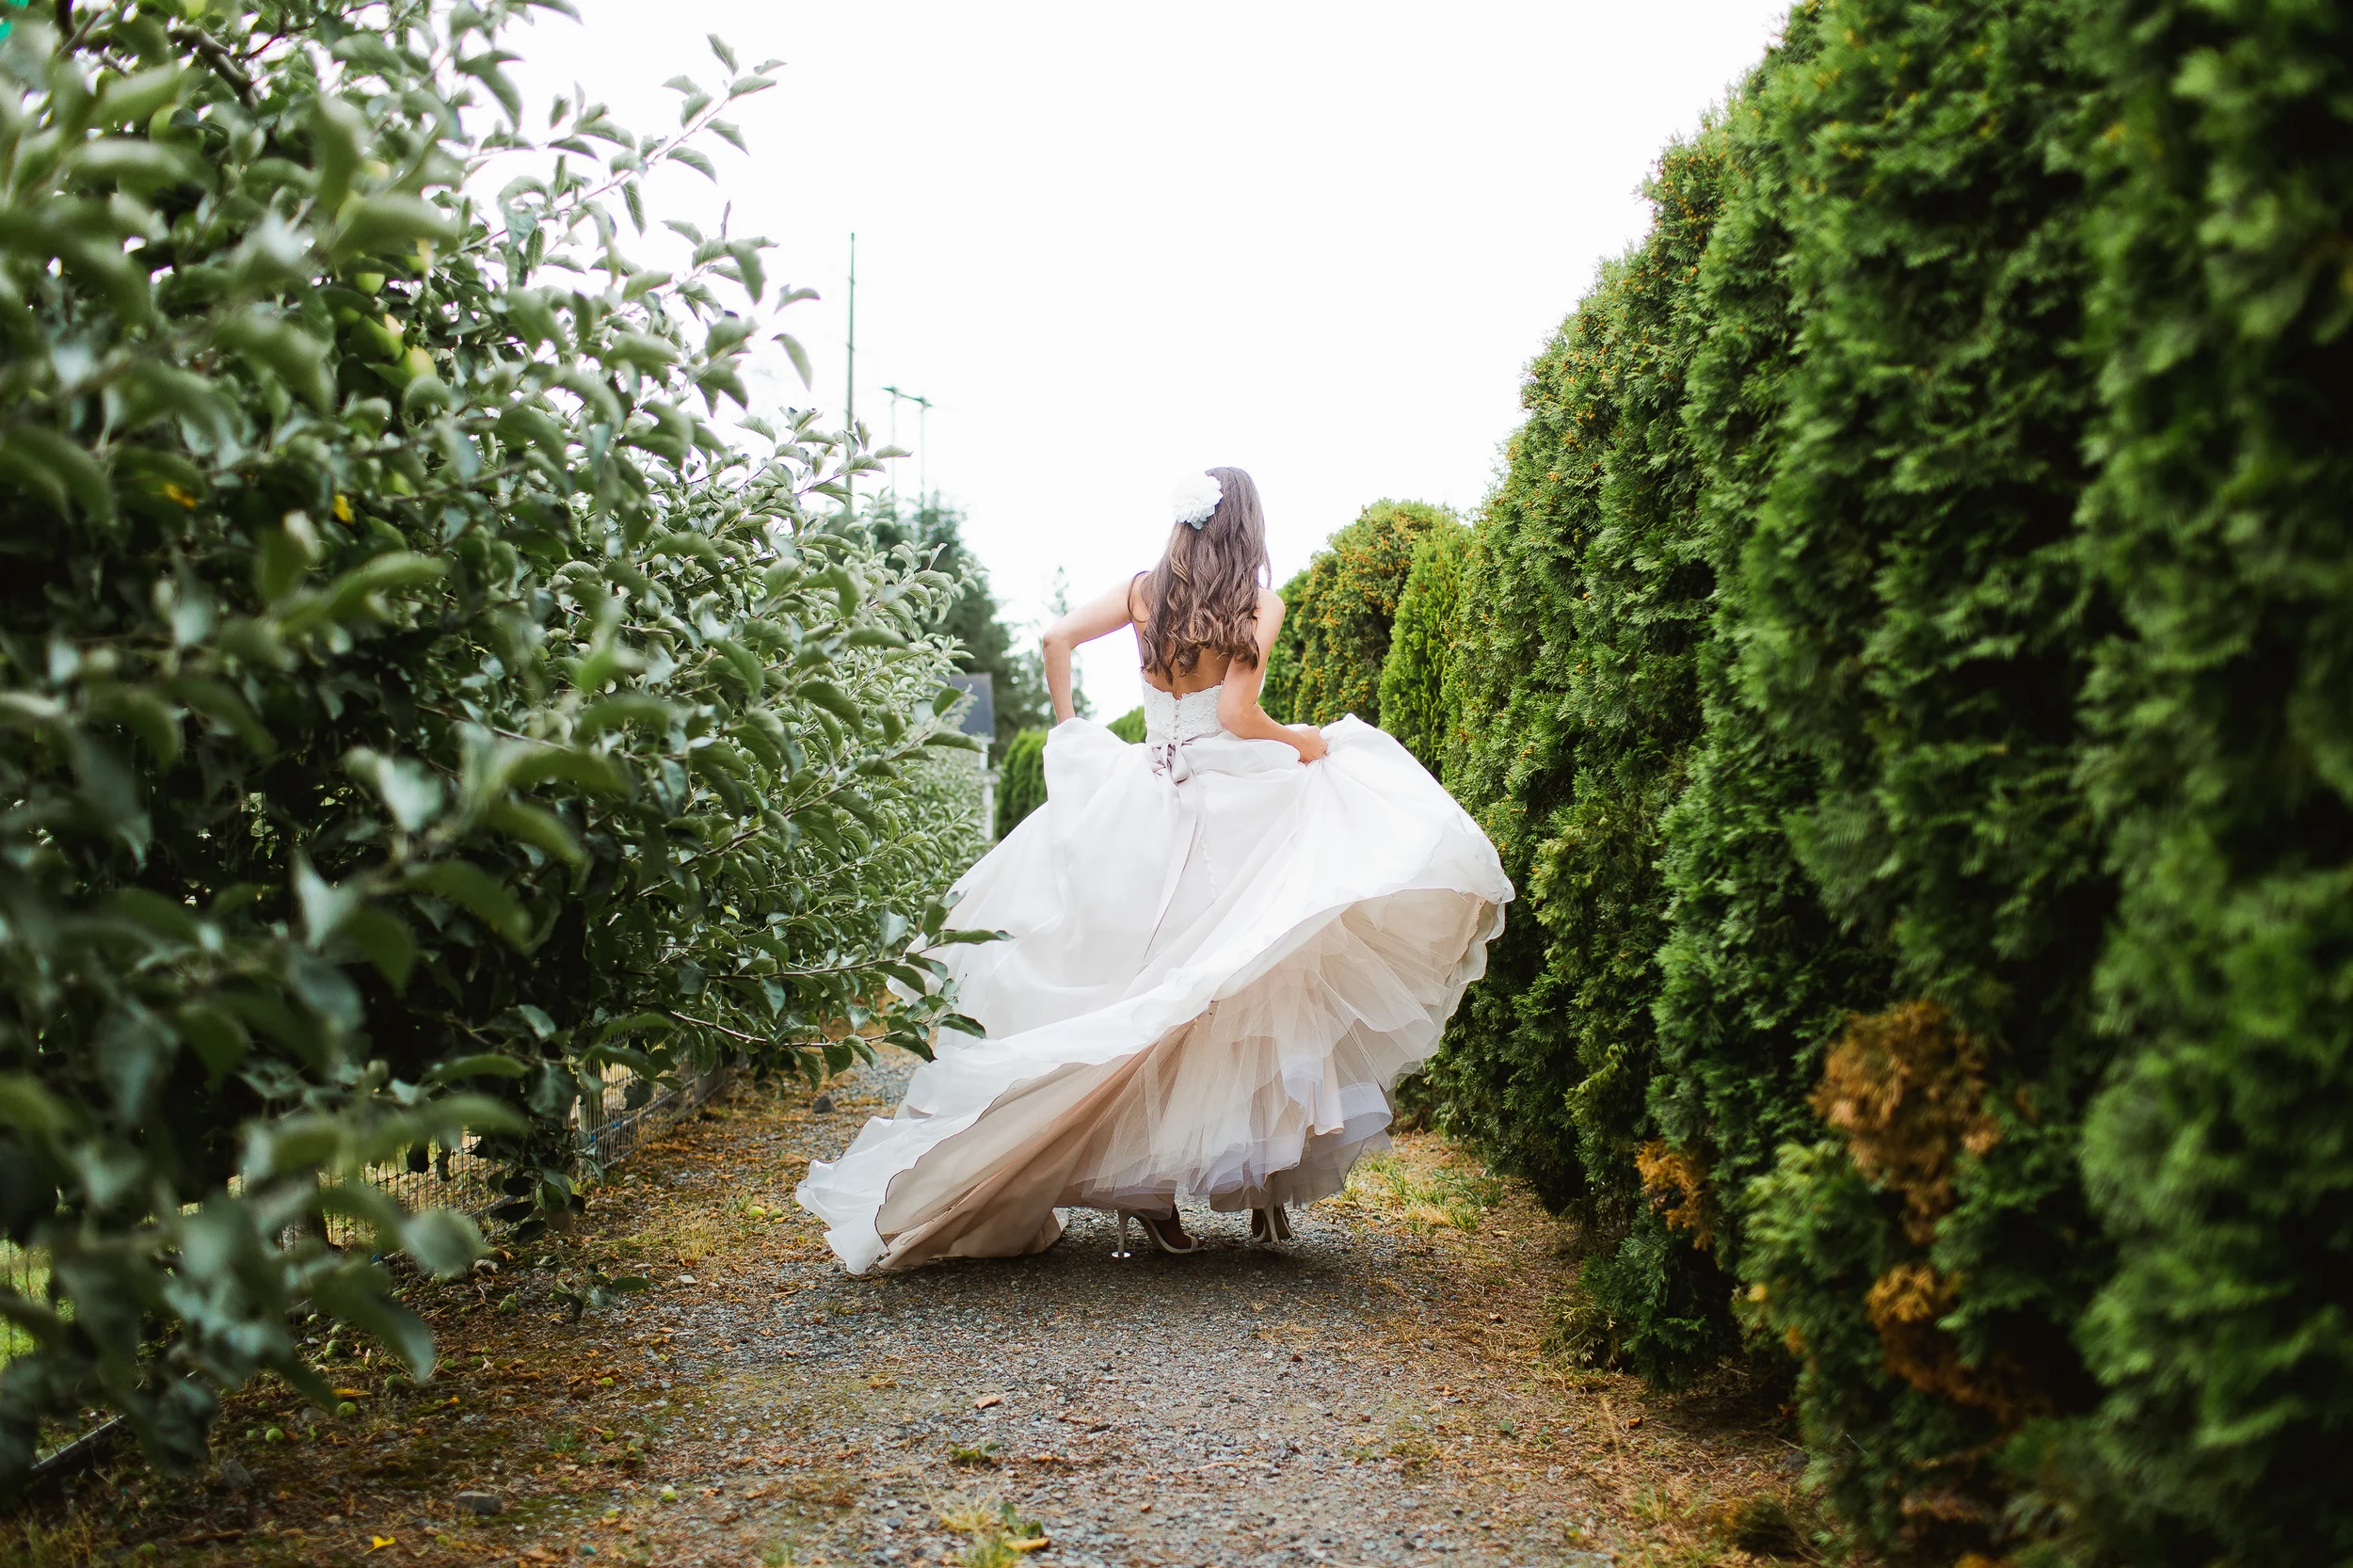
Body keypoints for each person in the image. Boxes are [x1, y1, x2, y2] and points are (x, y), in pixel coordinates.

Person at [796, 467, 1513, 1272]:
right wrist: (1304, 744)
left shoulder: (1146, 592)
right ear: (1246, 526)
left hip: (1142, 794)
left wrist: (1070, 730)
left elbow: (1054, 638)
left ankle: (1153, 1203)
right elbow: (1240, 716)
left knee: (1144, 992)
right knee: (1255, 977)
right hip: (1227, 804)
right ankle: (1266, 1192)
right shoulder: (1255, 605)